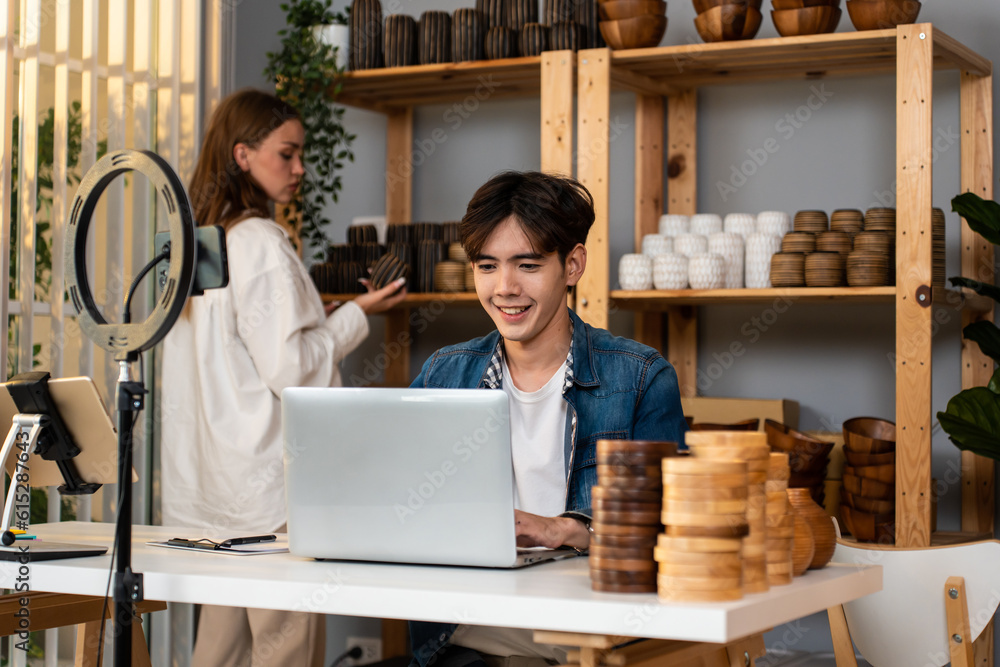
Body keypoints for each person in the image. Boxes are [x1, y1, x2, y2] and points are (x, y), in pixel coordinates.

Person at [160, 88, 406, 667]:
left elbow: (235, 360)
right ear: (243, 155)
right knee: (283, 653)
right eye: (287, 154)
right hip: (269, 497)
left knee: (219, 653)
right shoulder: (263, 243)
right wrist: (357, 316)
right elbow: (292, 371)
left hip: (210, 496)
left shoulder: (195, 247)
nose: (299, 169)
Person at [408, 171, 687, 667]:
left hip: (591, 634)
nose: (505, 288)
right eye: (487, 266)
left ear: (573, 265)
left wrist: (566, 530)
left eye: (528, 265)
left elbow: (671, 539)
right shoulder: (445, 372)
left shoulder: (642, 377)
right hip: (463, 635)